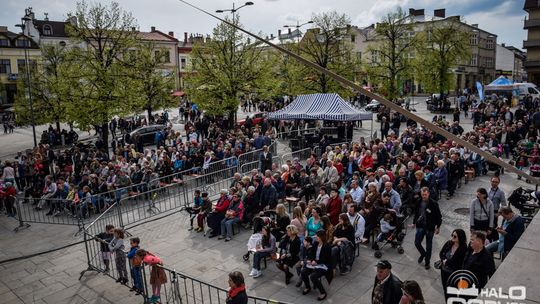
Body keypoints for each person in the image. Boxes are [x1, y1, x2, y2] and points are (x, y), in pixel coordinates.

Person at [412, 187, 442, 270]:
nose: (424, 196)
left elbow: (439, 216)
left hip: (429, 227)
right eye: (422, 195)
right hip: (420, 226)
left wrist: (438, 226)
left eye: (425, 195)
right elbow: (416, 213)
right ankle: (423, 254)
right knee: (417, 243)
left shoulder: (433, 203)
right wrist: (414, 223)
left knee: (429, 245)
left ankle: (427, 262)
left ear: (428, 193)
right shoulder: (418, 201)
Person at [300, 229, 332, 301]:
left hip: (323, 265)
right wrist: (310, 260)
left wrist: (316, 262)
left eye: (317, 236)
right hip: (314, 263)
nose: (315, 237)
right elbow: (311, 253)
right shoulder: (315, 243)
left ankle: (323, 292)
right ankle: (308, 287)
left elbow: (326, 259)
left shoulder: (327, 246)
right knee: (303, 272)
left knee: (313, 276)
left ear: (321, 237)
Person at [438, 229, 467, 300]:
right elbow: (441, 253)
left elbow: (458, 263)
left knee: (452, 291)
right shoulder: (449, 243)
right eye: (452, 235)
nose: (452, 238)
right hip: (444, 271)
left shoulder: (463, 248)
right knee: (445, 289)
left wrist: (447, 262)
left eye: (455, 236)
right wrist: (444, 260)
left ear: (460, 238)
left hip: (453, 273)